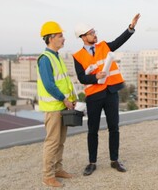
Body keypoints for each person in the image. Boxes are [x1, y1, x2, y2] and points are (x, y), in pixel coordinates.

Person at [73, 13, 141, 176]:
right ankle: (92, 162)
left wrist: (130, 28)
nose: (94, 35)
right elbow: (81, 77)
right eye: (91, 33)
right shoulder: (78, 56)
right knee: (92, 130)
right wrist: (95, 77)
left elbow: (119, 41)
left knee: (114, 128)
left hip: (111, 93)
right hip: (94, 96)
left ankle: (114, 160)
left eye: (94, 31)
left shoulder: (104, 46)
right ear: (83, 37)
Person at [37, 21, 77, 188]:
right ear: (51, 38)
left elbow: (64, 82)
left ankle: (58, 169)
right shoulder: (45, 59)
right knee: (52, 142)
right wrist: (64, 99)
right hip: (54, 108)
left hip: (62, 106)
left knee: (60, 141)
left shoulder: (56, 56)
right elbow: (49, 85)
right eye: (61, 36)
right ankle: (48, 176)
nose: (64, 39)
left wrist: (72, 98)